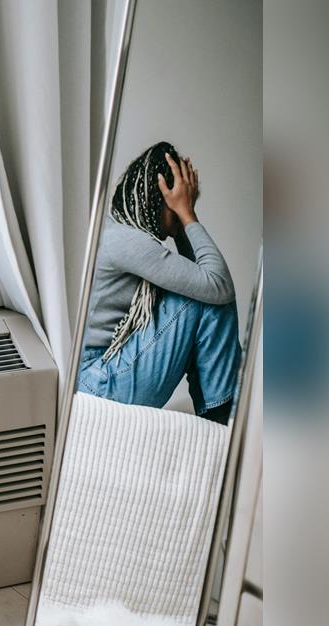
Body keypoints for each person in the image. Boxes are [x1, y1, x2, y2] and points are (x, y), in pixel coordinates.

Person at [77, 141, 240, 423]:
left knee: (207, 295)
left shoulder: (118, 230)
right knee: (210, 300)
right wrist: (187, 216)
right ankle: (224, 417)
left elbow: (203, 278)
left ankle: (223, 415)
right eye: (177, 205)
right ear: (161, 199)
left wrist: (182, 223)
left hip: (96, 377)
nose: (181, 213)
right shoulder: (129, 242)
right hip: (97, 384)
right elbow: (217, 284)